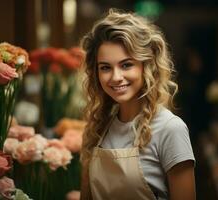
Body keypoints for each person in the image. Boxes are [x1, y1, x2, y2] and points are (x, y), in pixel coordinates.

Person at [80, 9, 195, 200]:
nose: (116, 77)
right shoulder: (97, 128)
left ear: (147, 66)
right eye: (105, 68)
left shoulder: (170, 129)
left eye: (126, 65)